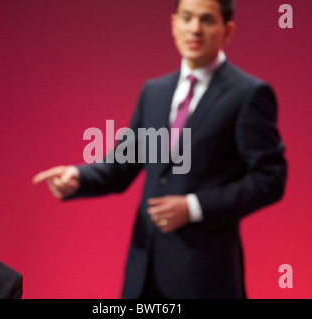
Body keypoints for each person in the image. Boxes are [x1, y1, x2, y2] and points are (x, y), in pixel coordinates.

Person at [33, 0, 287, 299]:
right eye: (187, 17)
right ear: (173, 24)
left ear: (227, 30)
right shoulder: (154, 92)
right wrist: (78, 176)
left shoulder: (248, 94)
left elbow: (270, 179)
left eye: (206, 20)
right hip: (144, 267)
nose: (194, 28)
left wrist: (194, 207)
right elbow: (122, 164)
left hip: (204, 273)